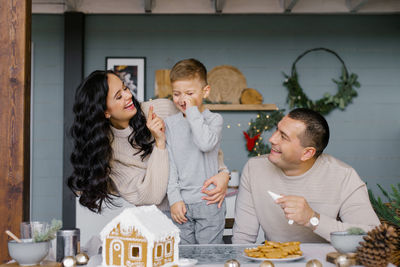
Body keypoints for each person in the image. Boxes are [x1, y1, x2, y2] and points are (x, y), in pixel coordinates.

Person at [68, 70, 229, 213]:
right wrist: (160, 143)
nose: (129, 95)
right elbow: (151, 196)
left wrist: (223, 173)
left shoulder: (163, 109)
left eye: (125, 88)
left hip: (199, 209)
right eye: (119, 96)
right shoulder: (109, 154)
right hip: (161, 224)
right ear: (105, 112)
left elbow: (204, 138)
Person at [232, 108, 380, 243]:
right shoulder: (254, 168)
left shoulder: (344, 176)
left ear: (307, 153)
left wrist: (312, 219)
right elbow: (242, 239)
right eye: (277, 130)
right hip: (274, 260)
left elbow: (373, 236)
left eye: (283, 136)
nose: (272, 139)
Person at [165, 59, 226, 244]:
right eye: (176, 94)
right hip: (181, 204)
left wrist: (192, 111)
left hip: (209, 202)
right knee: (184, 257)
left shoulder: (214, 120)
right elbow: (170, 165)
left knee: (210, 257)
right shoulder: (170, 124)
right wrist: (174, 199)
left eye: (189, 93)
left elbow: (205, 143)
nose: (182, 99)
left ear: (205, 91)